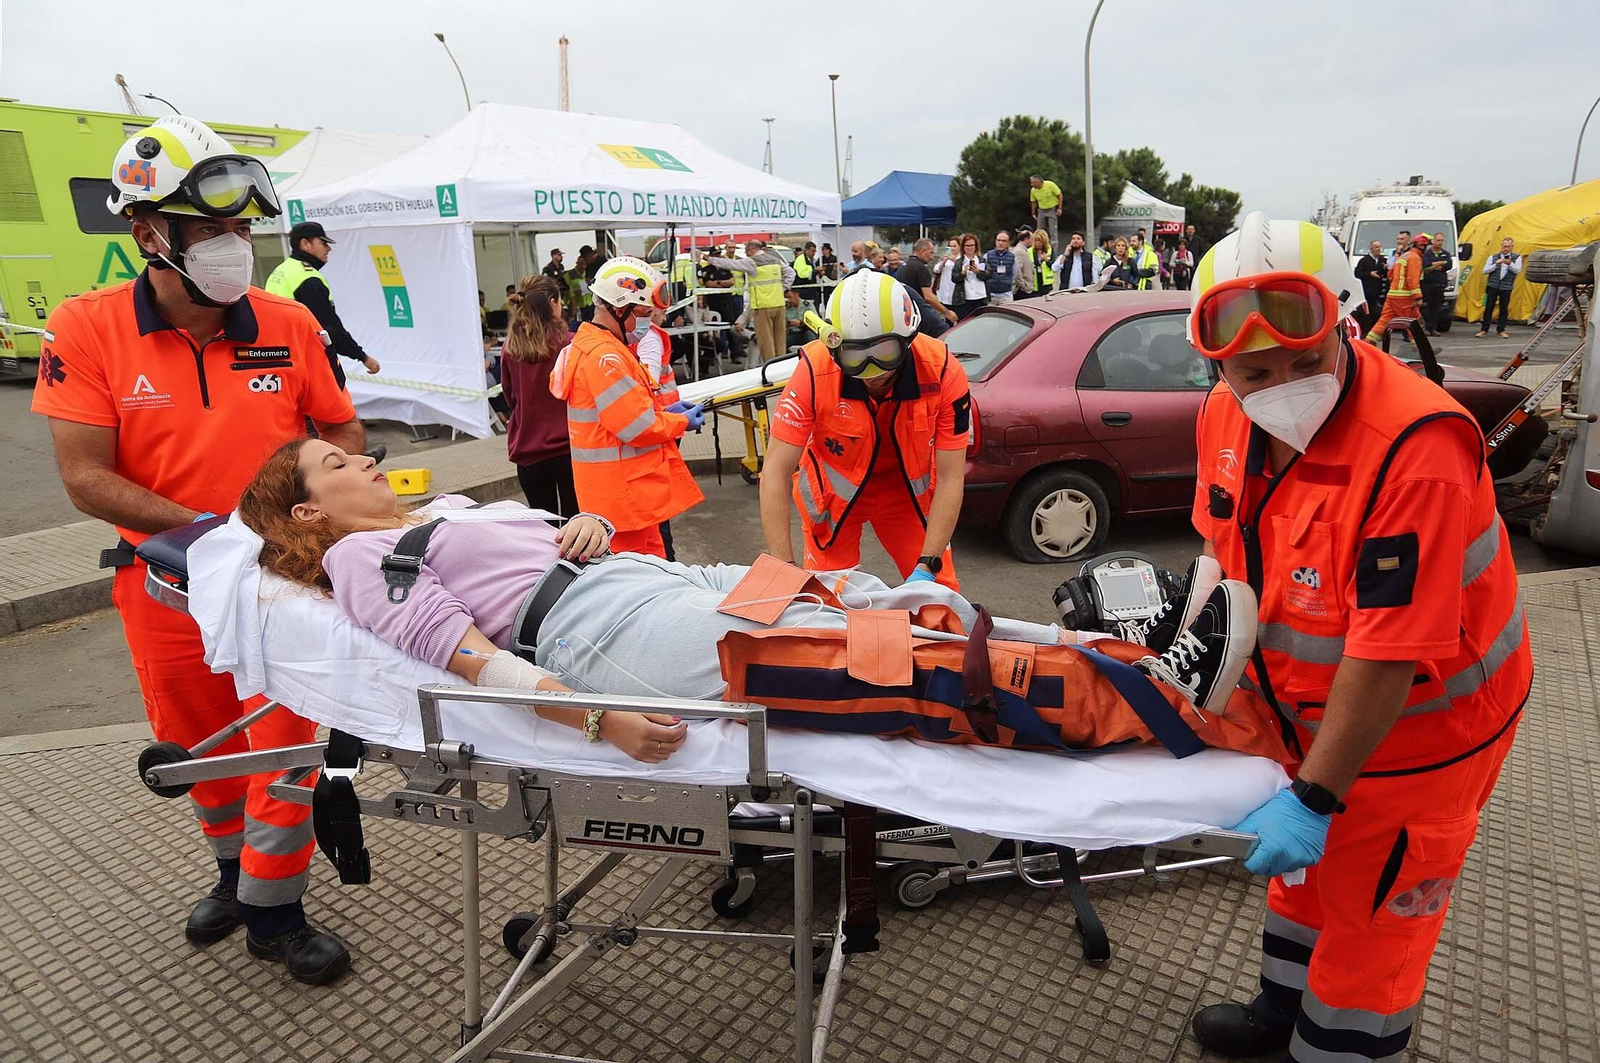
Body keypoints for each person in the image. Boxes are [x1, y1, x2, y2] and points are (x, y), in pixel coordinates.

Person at [237, 438, 1281, 763]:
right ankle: (1148, 692)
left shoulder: (443, 510)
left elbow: (509, 558)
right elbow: (473, 663)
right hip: (608, 633)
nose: (367, 460)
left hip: (629, 579)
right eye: (338, 463)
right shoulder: (365, 566)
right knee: (867, 644)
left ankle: (1108, 637)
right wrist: (593, 717)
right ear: (305, 516)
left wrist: (580, 533)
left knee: (874, 589)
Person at [1184, 213, 1529, 1063]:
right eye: (1256, 372)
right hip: (1298, 715)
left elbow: (1390, 650)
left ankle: (1336, 1048)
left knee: (1375, 917)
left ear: (1347, 324)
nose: (1284, 386)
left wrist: (1314, 793)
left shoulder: (1416, 445)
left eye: (1307, 362)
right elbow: (1221, 556)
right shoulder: (1223, 420)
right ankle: (1281, 1011)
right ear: (1218, 365)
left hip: (1423, 735)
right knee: (1304, 884)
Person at [31, 115, 364, 985]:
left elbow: (341, 425)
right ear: (148, 233)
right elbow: (84, 476)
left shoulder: (286, 323)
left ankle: (278, 912)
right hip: (168, 587)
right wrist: (213, 532)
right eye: (212, 228)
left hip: (283, 583)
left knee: (286, 744)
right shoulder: (86, 327)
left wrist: (314, 516)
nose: (235, 246)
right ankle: (232, 874)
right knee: (200, 743)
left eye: (242, 228)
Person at [759, 269, 971, 590]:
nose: (870, 372)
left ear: (909, 339)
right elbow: (775, 469)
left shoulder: (943, 371)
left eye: (885, 353)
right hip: (834, 503)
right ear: (835, 346)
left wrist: (929, 563)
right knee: (826, 607)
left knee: (940, 604)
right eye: (854, 355)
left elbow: (952, 476)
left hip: (905, 500)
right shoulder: (814, 369)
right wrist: (783, 566)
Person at [550, 256, 703, 558]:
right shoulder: (605, 356)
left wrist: (663, 414)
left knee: (656, 575)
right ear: (620, 309)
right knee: (642, 586)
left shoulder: (604, 348)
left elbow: (627, 412)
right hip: (621, 502)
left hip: (623, 497)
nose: (648, 320)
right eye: (645, 313)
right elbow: (636, 426)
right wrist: (680, 422)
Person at [264, 221, 381, 389]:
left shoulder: (282, 270)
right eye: (323, 243)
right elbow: (328, 328)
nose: (328, 249)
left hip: (283, 358)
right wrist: (362, 357)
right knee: (337, 412)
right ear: (305, 244)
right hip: (306, 360)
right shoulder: (308, 279)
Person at [500, 275, 576, 515]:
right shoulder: (570, 344)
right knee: (577, 528)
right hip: (569, 449)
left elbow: (510, 397)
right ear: (553, 302)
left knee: (544, 530)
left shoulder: (511, 348)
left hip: (528, 451)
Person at [709, 239, 795, 362]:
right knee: (780, 339)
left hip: (762, 305)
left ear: (751, 250)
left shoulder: (752, 262)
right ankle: (781, 366)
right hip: (779, 304)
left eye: (747, 252)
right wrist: (782, 288)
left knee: (766, 341)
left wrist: (711, 259)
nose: (746, 254)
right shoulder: (776, 260)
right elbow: (791, 273)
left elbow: (730, 264)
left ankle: (770, 368)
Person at [1365, 233, 1429, 343]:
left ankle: (1368, 343)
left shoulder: (1403, 256)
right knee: (1414, 323)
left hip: (1392, 295)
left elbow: (1391, 274)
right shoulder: (1414, 258)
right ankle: (1419, 349)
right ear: (1422, 246)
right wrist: (1418, 297)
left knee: (1384, 321)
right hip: (1404, 297)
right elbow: (1411, 279)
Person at [897, 238, 954, 336]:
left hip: (904, 313)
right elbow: (928, 297)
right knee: (943, 331)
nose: (932, 257)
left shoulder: (903, 266)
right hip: (918, 312)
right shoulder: (921, 268)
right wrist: (947, 312)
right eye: (931, 253)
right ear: (923, 251)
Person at [935, 234, 990, 321]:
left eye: (972, 245)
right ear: (963, 247)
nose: (970, 248)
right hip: (964, 298)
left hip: (980, 297)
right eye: (967, 246)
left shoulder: (981, 260)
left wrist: (978, 272)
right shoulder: (959, 262)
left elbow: (989, 275)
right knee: (964, 322)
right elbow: (954, 278)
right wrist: (963, 273)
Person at [1476, 237, 1521, 338]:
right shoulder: (1493, 257)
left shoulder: (1517, 257)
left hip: (1506, 287)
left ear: (1512, 247)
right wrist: (1495, 265)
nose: (1506, 249)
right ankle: (1484, 329)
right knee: (1488, 307)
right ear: (1501, 246)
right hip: (1492, 286)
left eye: (1508, 247)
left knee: (1503, 309)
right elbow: (1484, 271)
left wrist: (1510, 264)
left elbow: (1518, 270)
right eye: (1504, 246)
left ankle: (1501, 330)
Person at [1352, 239, 1389, 336]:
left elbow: (1385, 274)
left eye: (1380, 247)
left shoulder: (1382, 260)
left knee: (1376, 312)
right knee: (1365, 312)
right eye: (1376, 247)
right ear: (1371, 248)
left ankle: (1374, 331)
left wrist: (1386, 269)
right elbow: (1357, 273)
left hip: (1378, 290)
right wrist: (1369, 274)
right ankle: (1364, 331)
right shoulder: (1364, 261)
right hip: (1366, 291)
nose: (1379, 249)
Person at [1420, 232, 1453, 336]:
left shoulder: (1446, 253)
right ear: (1433, 241)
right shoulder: (1427, 253)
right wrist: (1439, 263)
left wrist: (1434, 266)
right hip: (1428, 285)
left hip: (1440, 284)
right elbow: (1426, 266)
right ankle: (1427, 328)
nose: (1440, 242)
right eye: (1438, 240)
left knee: (1436, 308)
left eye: (1442, 240)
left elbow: (1448, 265)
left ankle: (1434, 329)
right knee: (1426, 307)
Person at [1028, 173, 1063, 250]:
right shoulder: (1033, 190)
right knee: (1039, 230)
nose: (1031, 184)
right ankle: (1039, 248)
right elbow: (1033, 201)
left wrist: (1059, 208)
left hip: (1052, 209)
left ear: (1038, 182)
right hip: (1041, 210)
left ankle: (1054, 250)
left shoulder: (1050, 185)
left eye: (1033, 183)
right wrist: (1033, 213)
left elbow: (1059, 195)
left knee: (1052, 231)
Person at [984, 230, 1017, 304]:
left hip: (1006, 295)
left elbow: (1014, 274)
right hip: (991, 294)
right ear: (995, 241)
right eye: (998, 240)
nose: (1000, 243)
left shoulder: (1012, 257)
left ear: (1008, 243)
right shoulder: (987, 255)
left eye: (1004, 241)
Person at [1025, 230, 1055, 297]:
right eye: (1036, 240)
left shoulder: (1050, 250)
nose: (1037, 243)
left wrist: (1046, 260)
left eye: (1040, 241)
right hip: (1034, 284)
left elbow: (1054, 266)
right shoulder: (1029, 251)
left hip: (1046, 285)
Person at [793, 240, 822, 306]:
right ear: (806, 250)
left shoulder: (813, 260)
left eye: (815, 251)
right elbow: (802, 275)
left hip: (813, 290)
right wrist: (816, 271)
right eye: (812, 251)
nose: (814, 253)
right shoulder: (800, 260)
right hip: (804, 292)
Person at [1013, 225, 1037, 299]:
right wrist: (1024, 286)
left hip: (1026, 289)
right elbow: (1017, 270)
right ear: (1026, 239)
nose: (1033, 241)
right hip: (1022, 291)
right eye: (1032, 239)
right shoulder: (1019, 252)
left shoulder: (1024, 250)